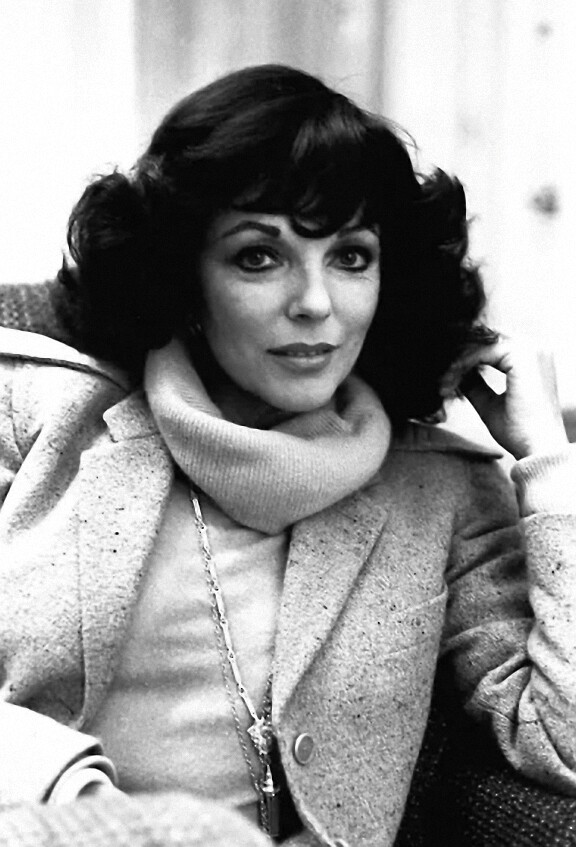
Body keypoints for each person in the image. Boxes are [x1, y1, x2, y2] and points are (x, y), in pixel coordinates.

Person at [0, 63, 574, 847]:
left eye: (351, 256)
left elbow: (561, 745)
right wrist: (85, 802)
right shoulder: (38, 413)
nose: (315, 302)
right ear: (186, 277)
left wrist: (547, 458)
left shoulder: (440, 488)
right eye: (258, 257)